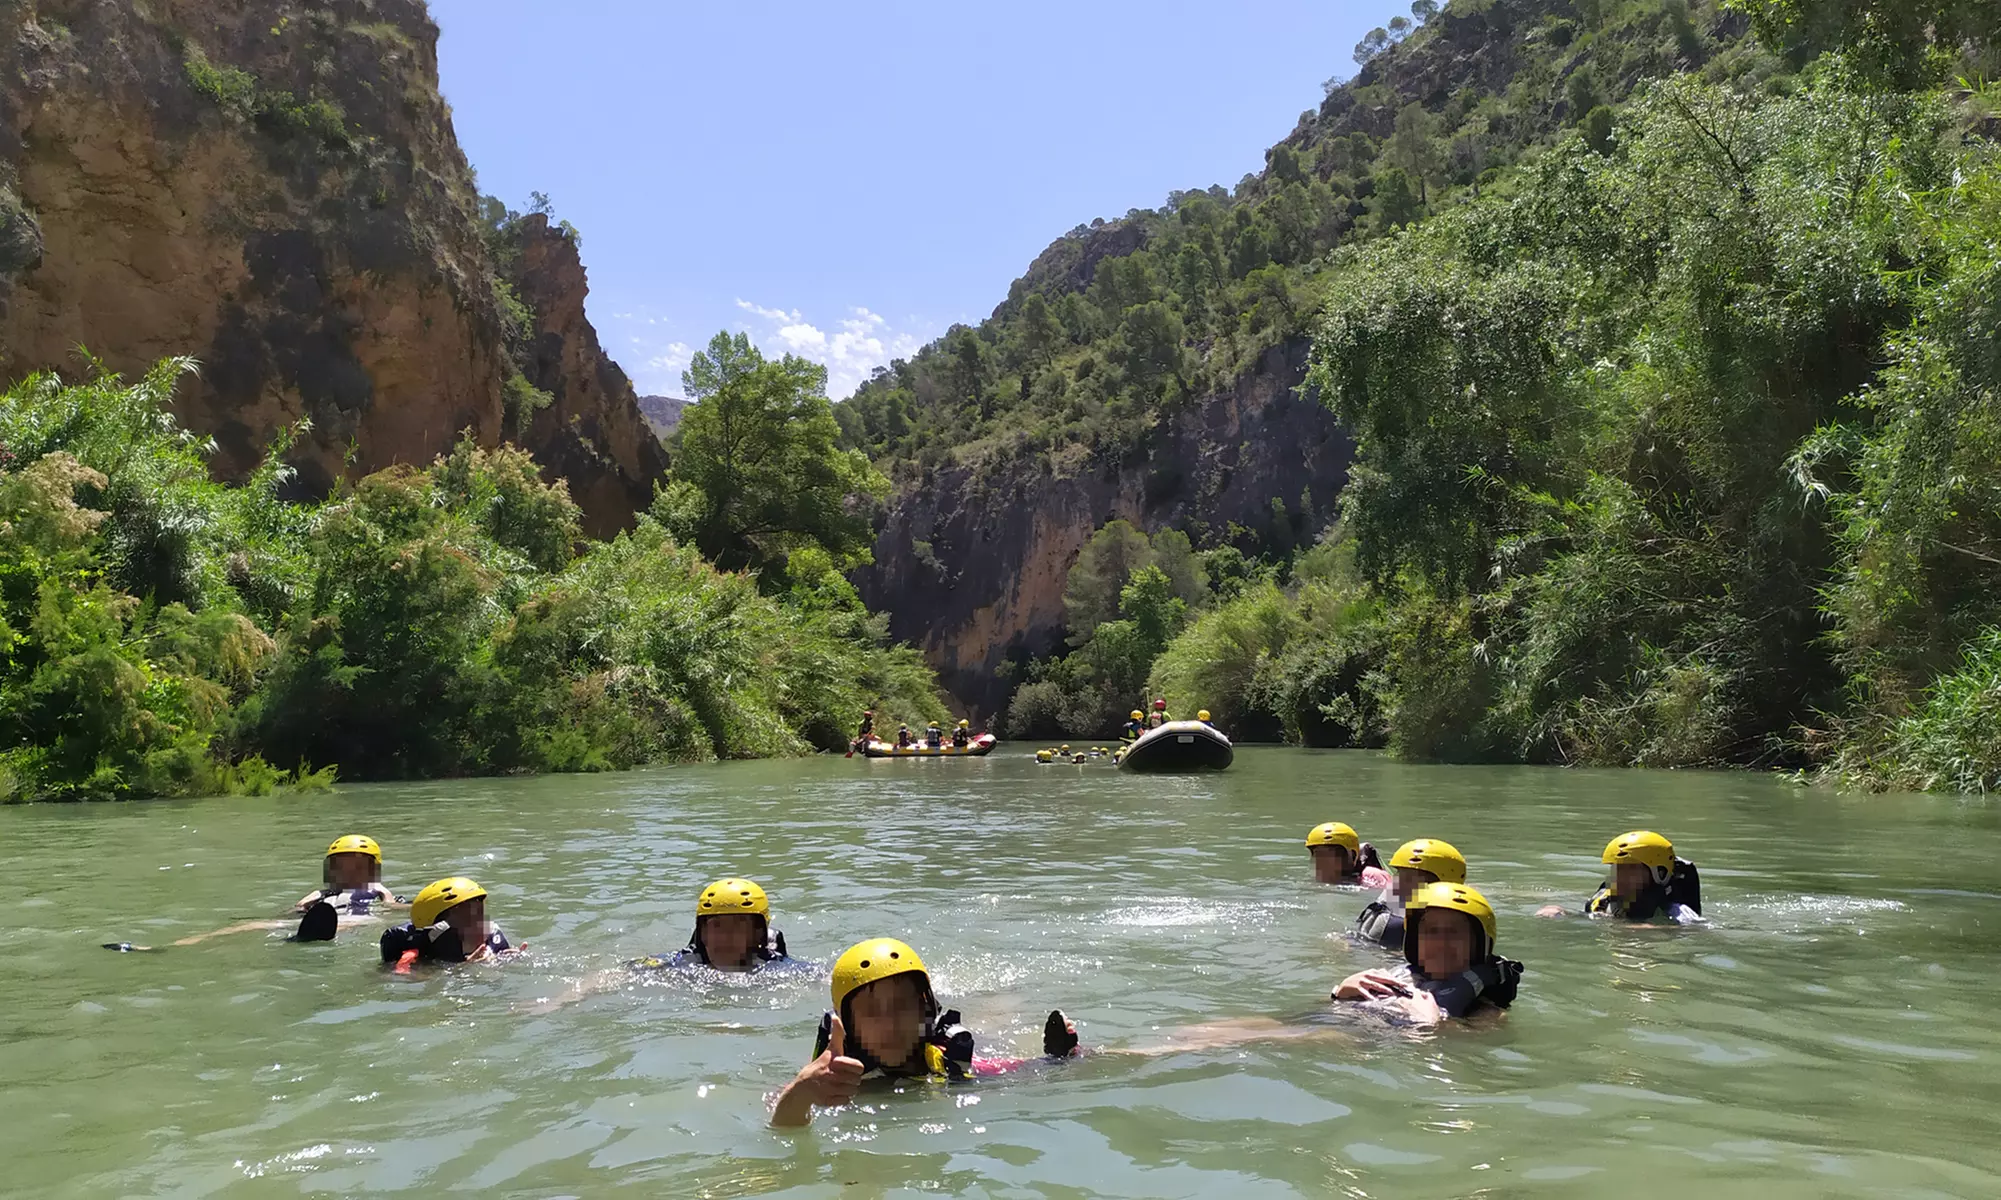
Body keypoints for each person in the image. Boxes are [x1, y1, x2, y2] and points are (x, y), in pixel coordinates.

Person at [770, 938, 1081, 1127]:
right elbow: (782, 1126)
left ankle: (1002, 1003)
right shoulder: (821, 1082)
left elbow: (1025, 1072)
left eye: (903, 1006)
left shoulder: (952, 1067)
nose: (891, 1023)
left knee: (994, 1021)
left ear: (926, 1011)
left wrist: (1061, 1059)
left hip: (957, 1056)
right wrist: (800, 1093)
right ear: (848, 1027)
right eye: (872, 1012)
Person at [132, 834, 404, 949]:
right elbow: (295, 910)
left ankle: (308, 936)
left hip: (361, 917)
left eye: (356, 867)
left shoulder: (376, 889)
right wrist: (283, 916)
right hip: (319, 918)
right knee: (252, 925)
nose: (348, 873)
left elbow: (390, 908)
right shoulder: (320, 894)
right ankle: (167, 947)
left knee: (348, 922)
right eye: (342, 867)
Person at [1334, 882, 1522, 1024]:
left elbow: (1461, 1049)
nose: (1441, 943)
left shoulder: (1487, 1015)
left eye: (1454, 933)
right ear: (1415, 942)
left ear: (1478, 947)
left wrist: (1430, 1023)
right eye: (1431, 932)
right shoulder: (1396, 978)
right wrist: (1341, 991)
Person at [629, 878, 796, 972]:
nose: (725, 937)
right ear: (702, 933)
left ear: (757, 934)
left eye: (738, 927)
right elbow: (622, 973)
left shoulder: (778, 968)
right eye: (716, 926)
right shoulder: (679, 964)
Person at [1538, 830, 1704, 923]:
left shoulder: (1677, 914)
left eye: (1631, 869)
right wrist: (1563, 912)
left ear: (1659, 874)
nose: (1620, 876)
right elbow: (1591, 918)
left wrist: (1662, 930)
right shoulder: (1604, 902)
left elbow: (1702, 934)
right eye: (1617, 868)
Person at [380, 877, 516, 969]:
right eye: (465, 918)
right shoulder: (411, 953)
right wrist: (463, 969)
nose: (477, 925)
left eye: (479, 913)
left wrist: (510, 961)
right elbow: (393, 979)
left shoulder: (492, 938)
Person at [1354, 838, 1466, 951]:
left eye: (1409, 879)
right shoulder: (1389, 915)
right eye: (1399, 875)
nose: (1398, 886)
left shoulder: (1457, 934)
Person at [1305, 822, 1392, 889]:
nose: (1322, 863)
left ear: (1352, 856)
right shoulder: (1320, 880)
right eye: (1318, 855)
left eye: (1328, 856)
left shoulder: (1372, 876)